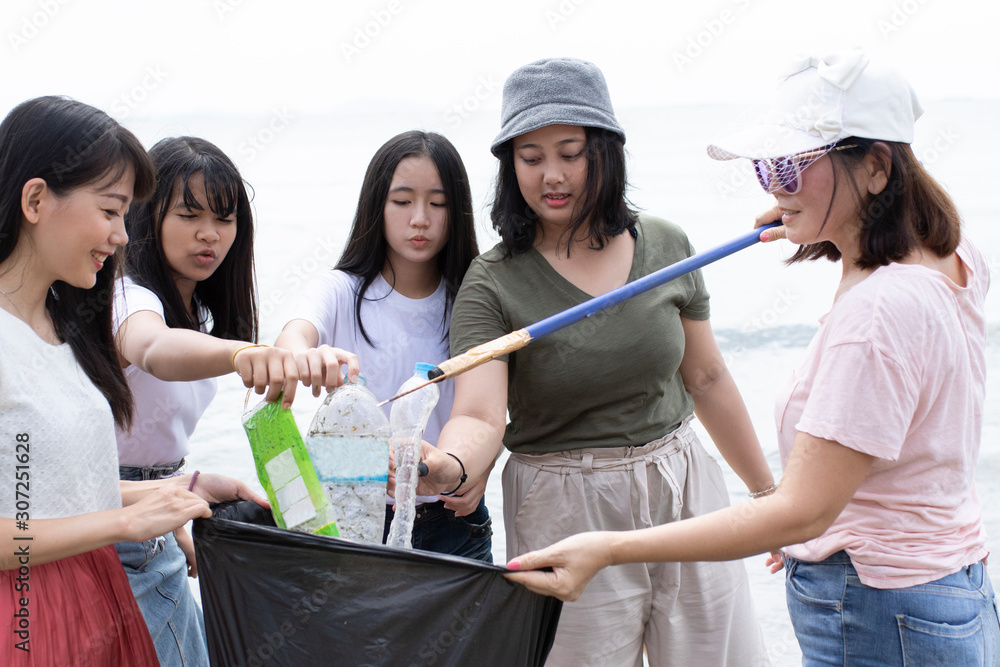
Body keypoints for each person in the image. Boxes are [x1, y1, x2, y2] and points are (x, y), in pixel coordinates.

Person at [503, 51, 1000, 666]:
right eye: (767, 167)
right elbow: (903, 239)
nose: (772, 185)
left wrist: (607, 549)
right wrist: (818, 217)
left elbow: (803, 512)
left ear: (875, 167)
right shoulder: (955, 259)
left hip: (877, 606)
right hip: (952, 590)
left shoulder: (877, 315)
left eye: (791, 166)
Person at [418, 58, 775, 666]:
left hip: (684, 483)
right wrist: (447, 465)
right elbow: (479, 414)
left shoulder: (666, 245)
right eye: (530, 158)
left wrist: (769, 497)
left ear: (605, 152)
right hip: (562, 504)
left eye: (570, 152)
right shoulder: (493, 282)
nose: (551, 175)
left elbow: (707, 378)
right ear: (511, 168)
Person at [0, 96, 266, 666]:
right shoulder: (60, 323)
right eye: (111, 210)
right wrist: (126, 520)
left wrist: (172, 490)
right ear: (36, 199)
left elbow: (44, 492)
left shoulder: (58, 327)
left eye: (126, 214)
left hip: (95, 588)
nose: (123, 236)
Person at [111, 135, 313, 665]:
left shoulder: (196, 312)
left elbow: (146, 442)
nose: (210, 235)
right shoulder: (128, 297)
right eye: (189, 214)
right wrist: (244, 353)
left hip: (154, 518)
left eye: (225, 219)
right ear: (145, 216)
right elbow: (152, 349)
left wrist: (184, 502)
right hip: (109, 528)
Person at [275, 130, 492, 561]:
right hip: (353, 517)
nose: (420, 219)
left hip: (453, 523)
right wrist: (304, 354)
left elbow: (489, 409)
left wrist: (477, 467)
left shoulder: (474, 300)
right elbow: (292, 337)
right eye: (402, 200)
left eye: (438, 202)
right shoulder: (339, 291)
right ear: (377, 204)